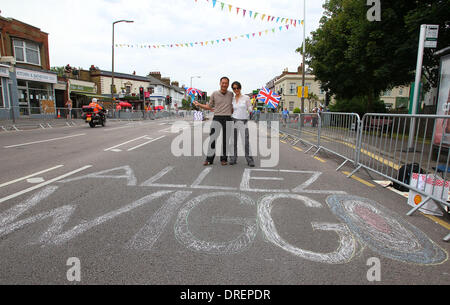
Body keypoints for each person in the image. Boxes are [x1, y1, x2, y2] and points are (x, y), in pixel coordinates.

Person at [194, 77, 233, 166]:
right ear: (220, 83)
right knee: (212, 139)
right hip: (217, 118)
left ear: (228, 84)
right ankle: (209, 159)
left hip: (228, 118)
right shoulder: (214, 94)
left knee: (225, 140)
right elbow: (209, 106)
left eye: (226, 83)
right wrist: (199, 104)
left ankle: (224, 159)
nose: (224, 85)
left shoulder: (231, 94)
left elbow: (235, 104)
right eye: (223, 83)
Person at [229, 81, 255, 167]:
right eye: (234, 88)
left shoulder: (246, 98)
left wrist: (254, 104)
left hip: (243, 121)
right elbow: (231, 110)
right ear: (232, 89)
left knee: (246, 142)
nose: (236, 90)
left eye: (237, 88)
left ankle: (250, 160)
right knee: (233, 142)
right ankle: (233, 159)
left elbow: (250, 109)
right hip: (233, 120)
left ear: (240, 88)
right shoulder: (232, 99)